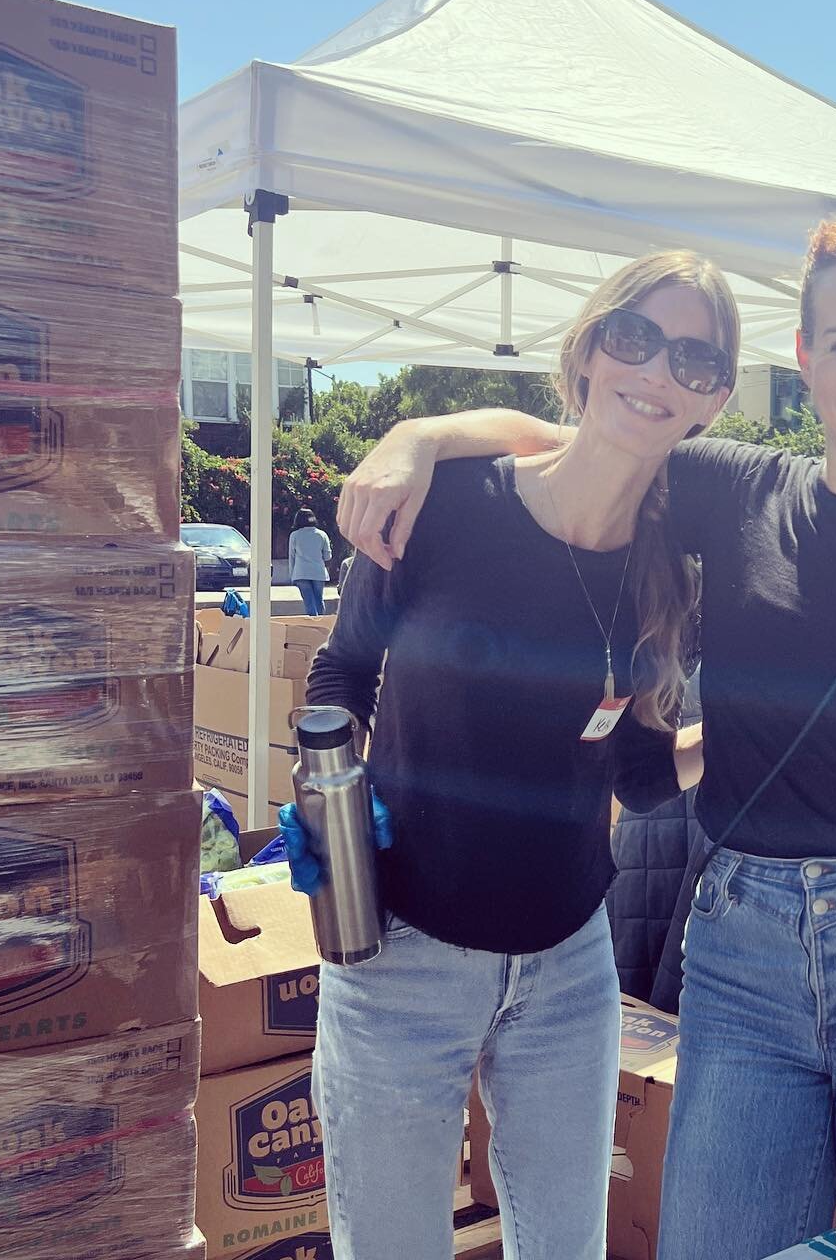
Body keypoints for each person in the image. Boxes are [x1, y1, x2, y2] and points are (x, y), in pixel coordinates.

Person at [336, 215, 836, 1260]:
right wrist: (420, 436)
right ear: (806, 358)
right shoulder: (731, 491)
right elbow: (582, 436)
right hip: (743, 955)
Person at [295, 252, 738, 1260]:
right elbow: (343, 671)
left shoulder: (671, 576)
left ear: (712, 401)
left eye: (696, 361)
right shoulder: (445, 502)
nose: (659, 372)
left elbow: (630, 773)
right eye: (636, 338)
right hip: (399, 952)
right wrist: (326, 792)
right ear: (587, 348)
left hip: (569, 971)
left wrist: (742, 744)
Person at [288, 507, 332, 615]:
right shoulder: (322, 534)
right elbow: (328, 556)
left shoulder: (294, 535)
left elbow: (292, 556)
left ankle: (312, 624)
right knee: (319, 600)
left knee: (309, 602)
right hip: (318, 572)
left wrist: (292, 575)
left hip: (301, 572)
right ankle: (321, 624)